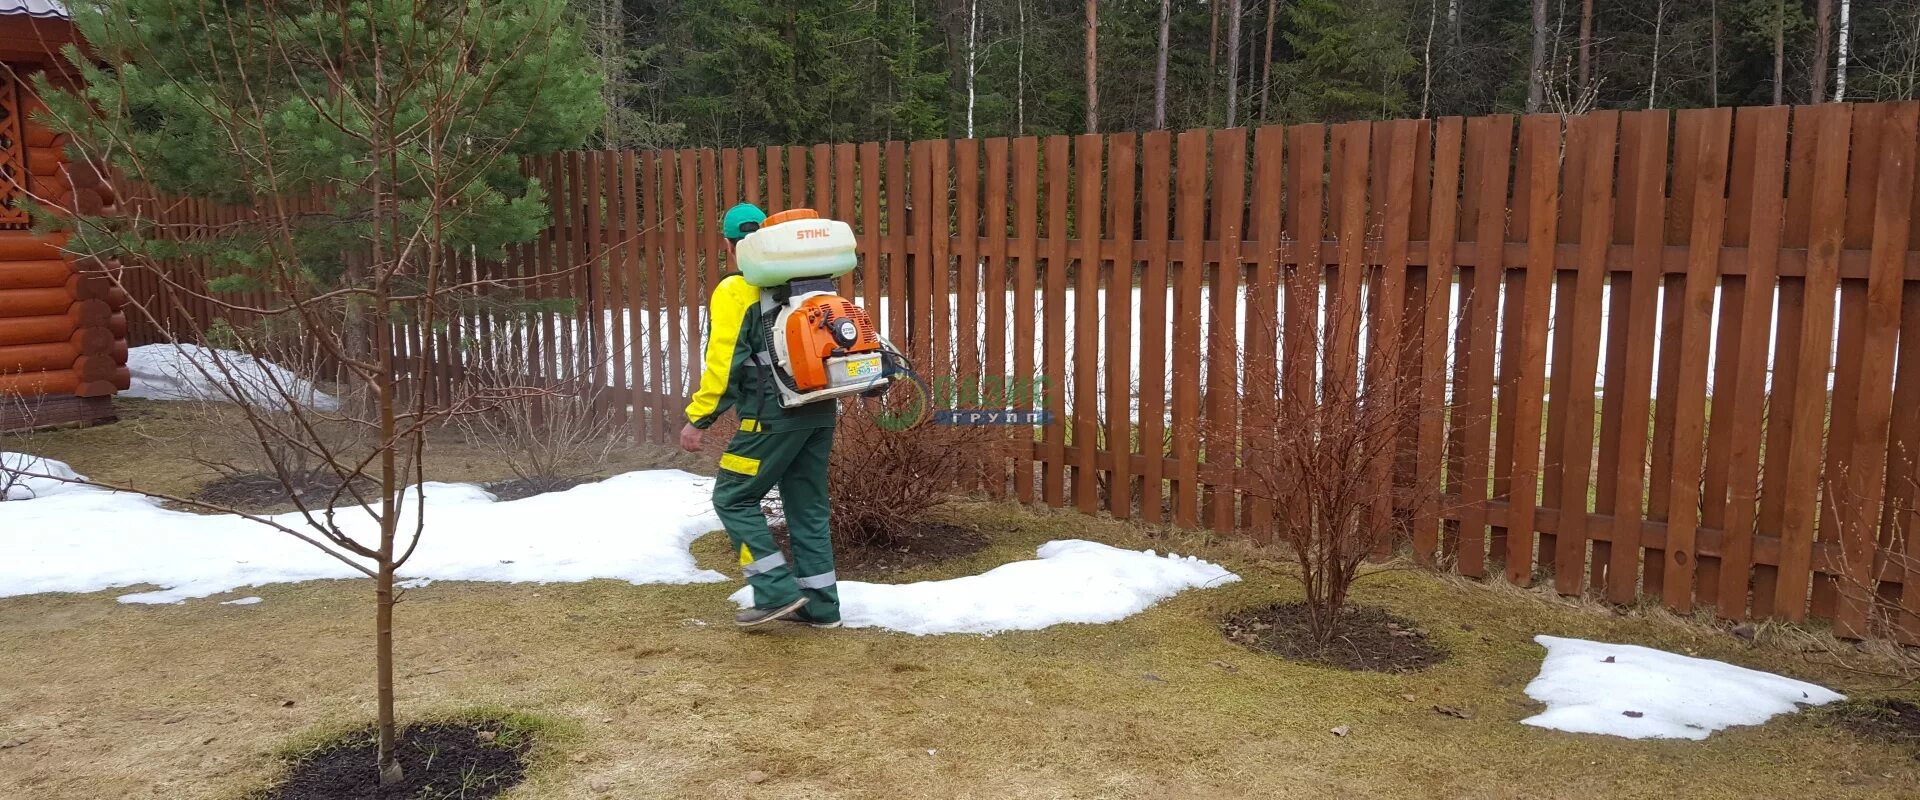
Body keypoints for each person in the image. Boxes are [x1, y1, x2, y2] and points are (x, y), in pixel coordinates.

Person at [679, 202, 842, 629]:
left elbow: (724, 364)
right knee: (806, 506)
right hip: (820, 408)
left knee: (732, 496)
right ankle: (822, 608)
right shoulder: (812, 282)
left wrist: (700, 417)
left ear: (730, 245)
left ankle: (775, 591)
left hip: (771, 417)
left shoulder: (737, 291)